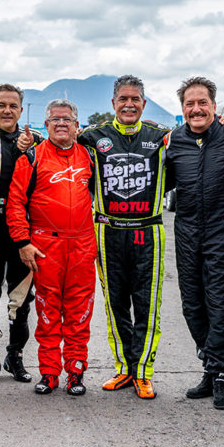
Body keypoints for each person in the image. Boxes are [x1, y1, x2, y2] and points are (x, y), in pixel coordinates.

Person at [165, 77, 224, 410]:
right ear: (182, 109)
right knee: (192, 305)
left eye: (202, 102)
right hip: (187, 230)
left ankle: (220, 373)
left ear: (214, 106)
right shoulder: (173, 140)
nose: (196, 109)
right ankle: (211, 363)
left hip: (223, 230)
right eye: (189, 104)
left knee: (220, 303)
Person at [79, 75, 170, 399]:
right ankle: (124, 368)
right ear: (113, 103)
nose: (129, 105)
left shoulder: (162, 137)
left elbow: (201, 134)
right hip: (109, 232)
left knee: (147, 306)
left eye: (135, 100)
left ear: (144, 104)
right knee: (115, 305)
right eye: (123, 99)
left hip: (148, 230)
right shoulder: (93, 137)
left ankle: (143, 372)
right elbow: (57, 138)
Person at [7, 99, 96, 396]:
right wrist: (23, 241)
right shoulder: (31, 157)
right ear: (45, 125)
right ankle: (49, 372)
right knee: (47, 311)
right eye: (55, 119)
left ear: (76, 125)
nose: (61, 123)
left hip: (82, 243)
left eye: (67, 119)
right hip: (46, 244)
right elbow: (15, 204)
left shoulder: (89, 157)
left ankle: (76, 371)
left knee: (80, 310)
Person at [0, 84, 41, 383]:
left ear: (20, 110)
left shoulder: (36, 142)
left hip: (22, 232)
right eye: (1, 105)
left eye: (13, 106)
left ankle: (15, 356)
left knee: (21, 299)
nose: (7, 110)